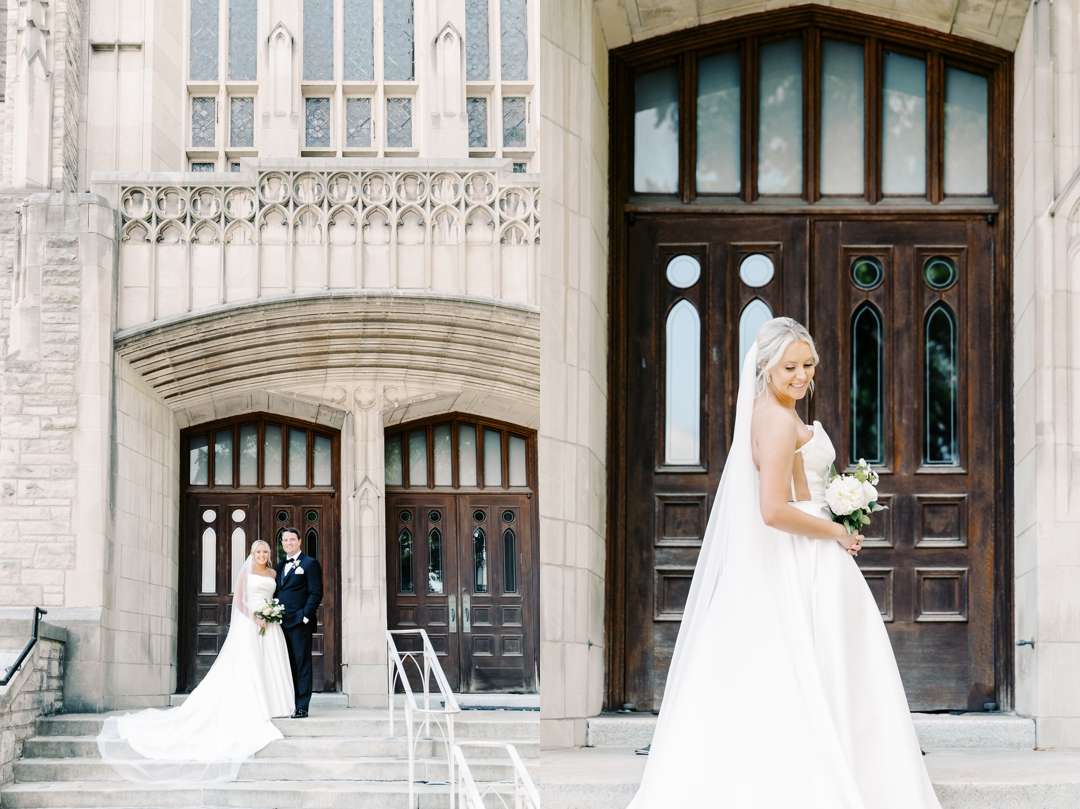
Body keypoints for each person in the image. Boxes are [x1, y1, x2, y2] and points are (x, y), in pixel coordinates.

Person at [627, 318, 941, 809]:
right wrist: (837, 529)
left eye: (808, 364)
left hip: (812, 552)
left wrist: (840, 504)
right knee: (822, 666)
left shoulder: (776, 412)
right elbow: (773, 509)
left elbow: (799, 491)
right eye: (789, 366)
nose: (800, 375)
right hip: (804, 558)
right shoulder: (773, 419)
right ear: (766, 367)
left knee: (833, 668)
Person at [97, 540, 294, 782]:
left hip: (269, 625)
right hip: (249, 622)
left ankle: (274, 702)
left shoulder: (274, 573)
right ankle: (253, 703)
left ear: (269, 554)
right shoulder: (247, 571)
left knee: (269, 663)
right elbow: (239, 601)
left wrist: (270, 614)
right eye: (258, 552)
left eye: (265, 552)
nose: (262, 555)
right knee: (249, 664)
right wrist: (255, 617)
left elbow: (274, 597)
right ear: (252, 554)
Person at [275, 527, 323, 718]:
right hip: (279, 623)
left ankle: (302, 705)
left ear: (299, 541)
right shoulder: (279, 566)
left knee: (302, 664)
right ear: (282, 543)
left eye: (292, 540)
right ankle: (287, 703)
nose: (288, 543)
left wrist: (305, 616)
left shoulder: (310, 564)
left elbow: (316, 592)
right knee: (285, 665)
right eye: (285, 540)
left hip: (299, 623)